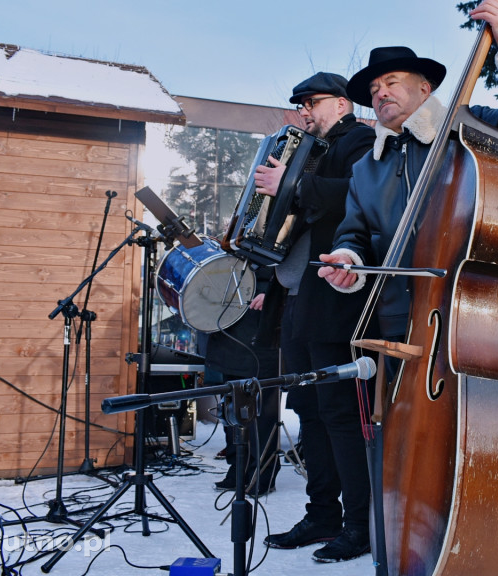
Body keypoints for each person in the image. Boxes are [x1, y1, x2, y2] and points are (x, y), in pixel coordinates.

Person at [316, 0, 498, 338]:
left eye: (392, 82)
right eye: (374, 90)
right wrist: (347, 260)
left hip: (471, 311)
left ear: (425, 89)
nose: (381, 93)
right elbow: (354, 234)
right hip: (396, 321)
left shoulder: (468, 129)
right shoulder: (365, 168)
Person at [253, 72, 377, 563]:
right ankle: (322, 513)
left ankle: (359, 524)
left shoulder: (359, 139)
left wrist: (292, 183)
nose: (304, 110)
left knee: (340, 414)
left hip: (334, 297)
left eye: (312, 102)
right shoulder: (310, 148)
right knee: (308, 410)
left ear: (342, 103)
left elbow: (358, 193)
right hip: (298, 296)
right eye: (301, 104)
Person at [202, 264, 281, 496]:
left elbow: (290, 267)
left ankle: (263, 473)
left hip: (261, 320)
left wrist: (275, 296)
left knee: (262, 412)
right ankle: (238, 468)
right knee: (231, 408)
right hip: (228, 319)